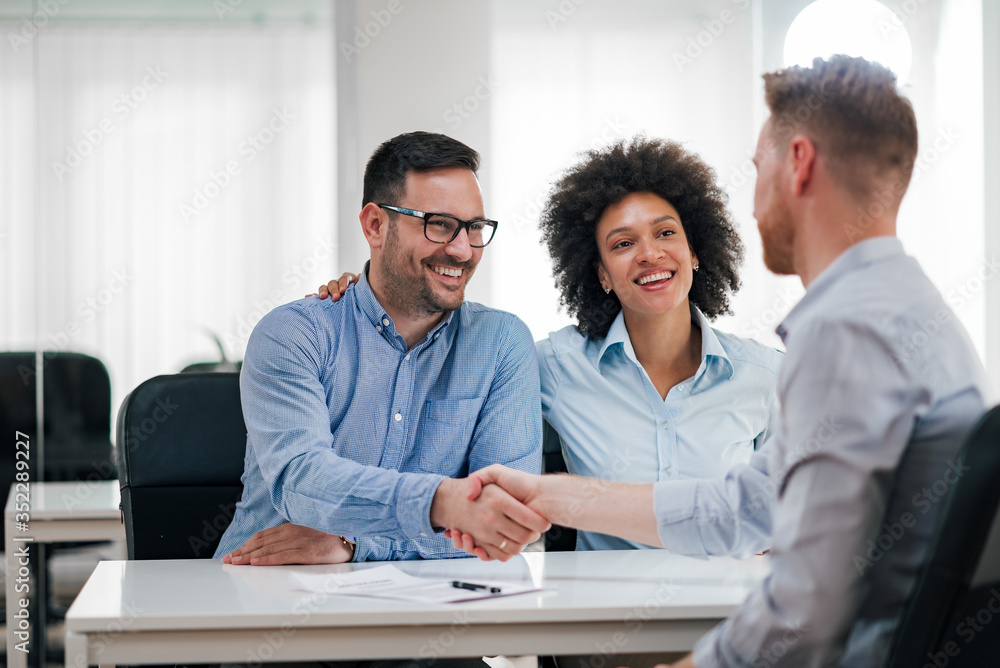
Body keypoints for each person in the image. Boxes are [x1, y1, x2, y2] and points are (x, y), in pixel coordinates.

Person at [448, 55, 991, 668]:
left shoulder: (846, 332)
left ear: (800, 164)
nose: (754, 204)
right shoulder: (907, 311)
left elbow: (806, 608)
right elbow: (748, 508)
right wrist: (552, 497)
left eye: (758, 169)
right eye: (624, 244)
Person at [319, 138, 782, 556]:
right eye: (622, 244)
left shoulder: (767, 378)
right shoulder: (556, 367)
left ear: (696, 250)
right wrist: (361, 302)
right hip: (603, 627)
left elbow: (801, 512)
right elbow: (441, 360)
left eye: (666, 234)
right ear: (600, 272)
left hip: (729, 620)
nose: (649, 254)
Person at [215, 131, 549, 568]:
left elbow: (505, 520)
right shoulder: (294, 333)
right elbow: (302, 481)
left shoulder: (502, 343)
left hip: (432, 604)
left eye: (474, 227)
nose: (463, 249)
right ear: (376, 225)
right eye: (440, 224)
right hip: (266, 587)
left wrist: (359, 546)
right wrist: (443, 503)